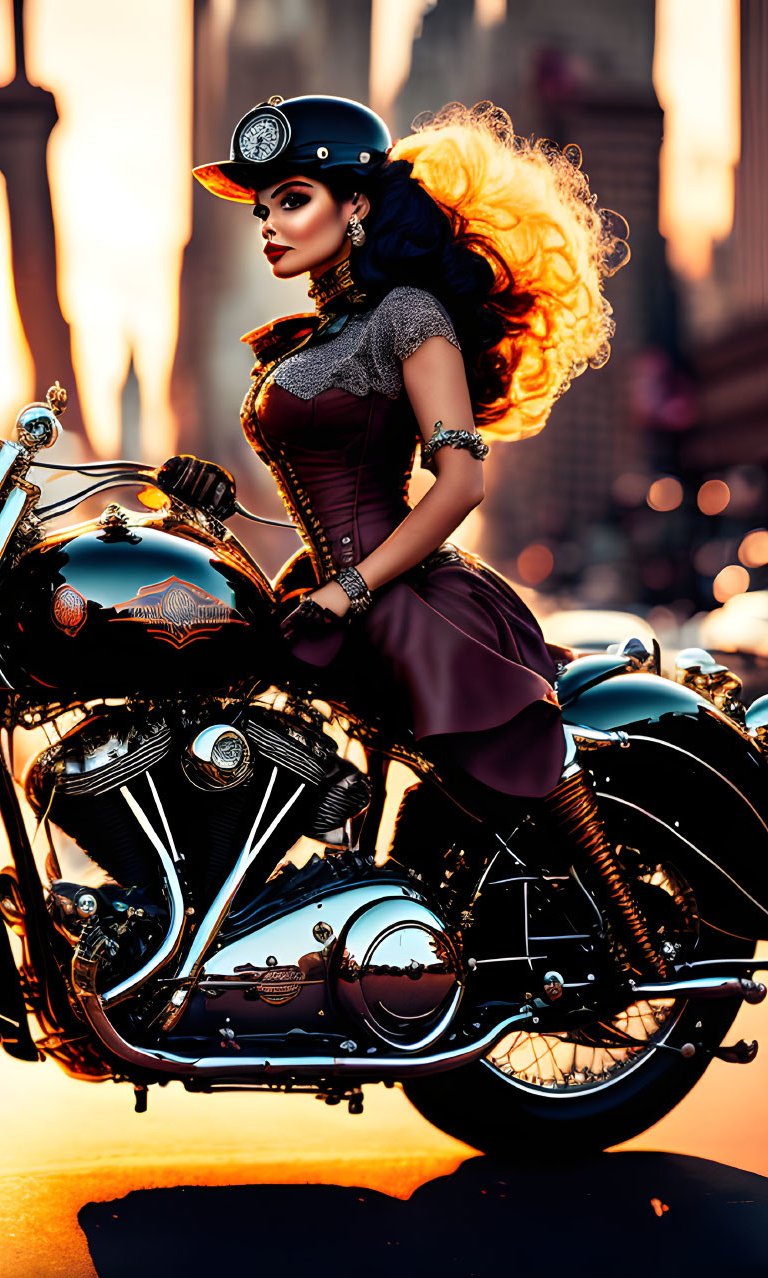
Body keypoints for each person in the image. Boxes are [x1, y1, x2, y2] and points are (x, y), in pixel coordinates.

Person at [190, 94, 640, 905]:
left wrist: (352, 588)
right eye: (264, 208)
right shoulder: (325, 330)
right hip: (328, 586)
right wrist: (206, 502)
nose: (268, 223)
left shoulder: (407, 314)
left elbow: (463, 481)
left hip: (396, 598)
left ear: (355, 204)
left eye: (293, 200)